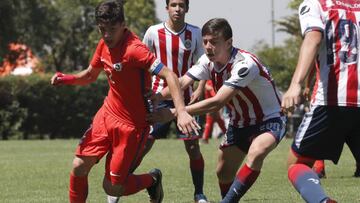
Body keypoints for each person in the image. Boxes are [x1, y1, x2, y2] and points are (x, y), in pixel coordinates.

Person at [50, 1, 199, 203]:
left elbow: (170, 75)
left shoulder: (135, 50)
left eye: (112, 29)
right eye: (103, 30)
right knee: (78, 166)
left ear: (123, 25)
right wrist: (67, 78)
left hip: (132, 127)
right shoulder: (104, 44)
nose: (107, 35)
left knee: (112, 187)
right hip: (106, 116)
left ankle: (153, 180)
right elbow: (90, 76)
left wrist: (181, 111)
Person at [149, 18, 287, 202]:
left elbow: (218, 102)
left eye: (214, 42)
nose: (207, 46)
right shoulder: (207, 61)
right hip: (239, 123)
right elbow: (181, 82)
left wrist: (176, 112)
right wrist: (155, 97)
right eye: (205, 41)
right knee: (223, 173)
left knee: (257, 152)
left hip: (269, 120)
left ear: (229, 43)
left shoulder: (244, 64)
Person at [281, 0, 360, 202]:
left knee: (296, 164)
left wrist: (296, 84)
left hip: (332, 101)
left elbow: (313, 39)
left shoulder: (315, 4)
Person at [136, 1, 208, 202]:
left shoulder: (195, 33)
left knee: (193, 147)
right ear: (167, 8)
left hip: (185, 100)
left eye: (181, 5)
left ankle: (199, 193)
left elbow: (203, 63)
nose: (178, 9)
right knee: (143, 145)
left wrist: (200, 88)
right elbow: (141, 63)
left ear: (187, 8)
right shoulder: (152, 32)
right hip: (158, 98)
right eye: (174, 4)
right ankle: (118, 186)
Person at [304, 65, 360, 179]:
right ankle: (319, 167)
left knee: (319, 132)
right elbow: (312, 66)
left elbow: (311, 66)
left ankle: (318, 168)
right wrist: (306, 85)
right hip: (334, 96)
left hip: (336, 96)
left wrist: (306, 85)